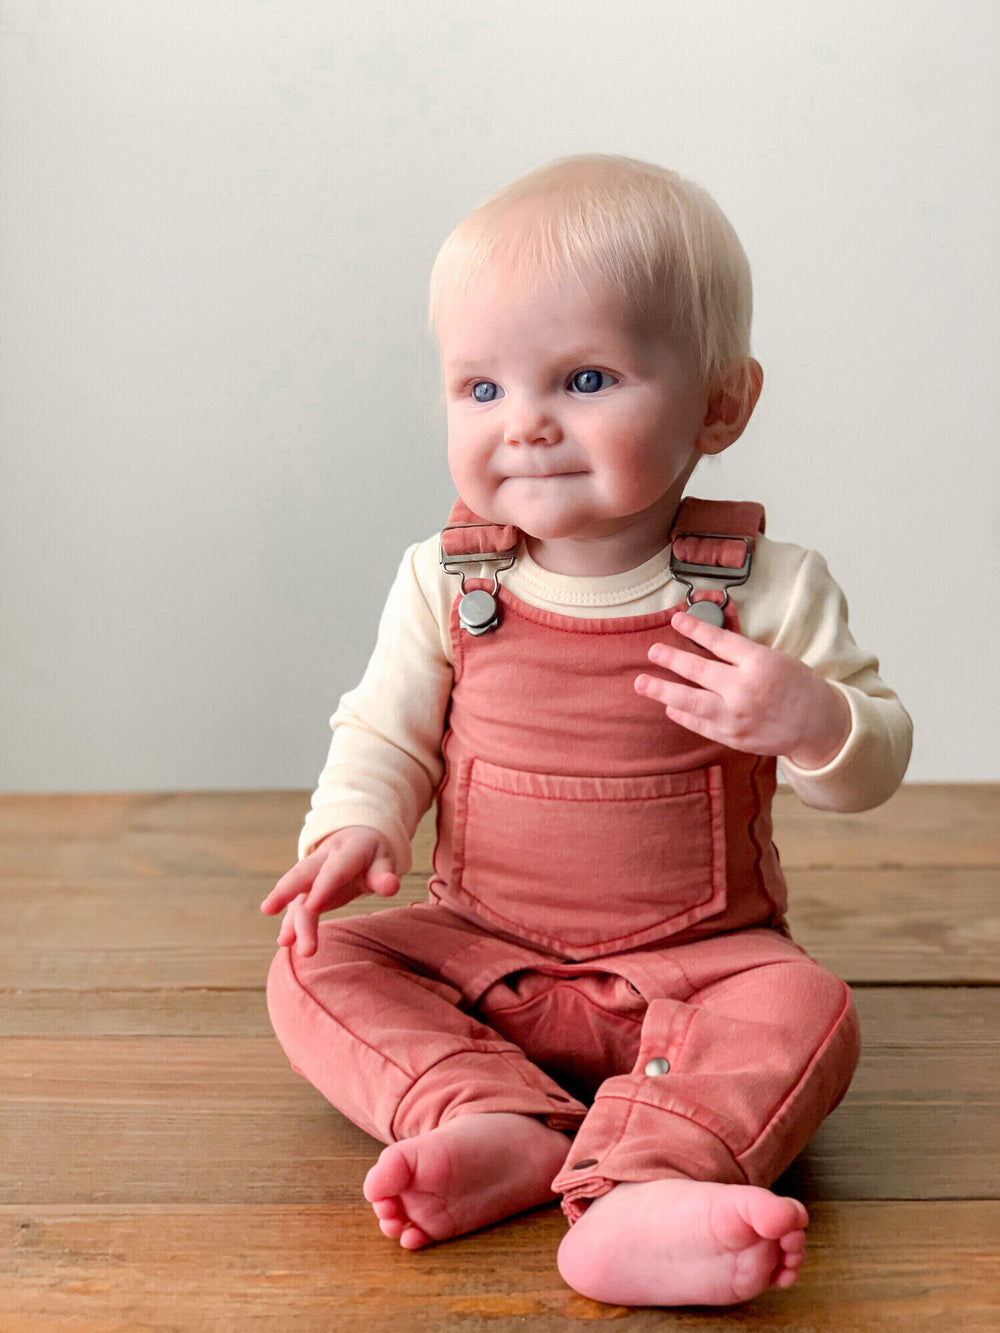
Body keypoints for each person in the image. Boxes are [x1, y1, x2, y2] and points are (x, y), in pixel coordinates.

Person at [261, 155, 912, 1308]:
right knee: (318, 963)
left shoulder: (767, 585)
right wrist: (355, 827)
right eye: (481, 389)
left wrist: (809, 720)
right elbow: (387, 729)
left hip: (697, 975)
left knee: (807, 1007)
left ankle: (650, 1183)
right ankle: (488, 1114)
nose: (527, 426)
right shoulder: (444, 579)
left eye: (587, 376)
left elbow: (872, 761)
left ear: (720, 402)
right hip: (483, 952)